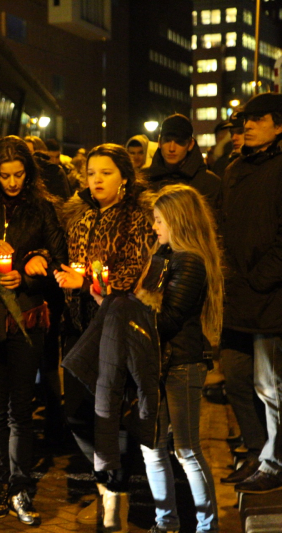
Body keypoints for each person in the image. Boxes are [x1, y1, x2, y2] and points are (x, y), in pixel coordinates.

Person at [0, 138, 67, 524]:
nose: (12, 182)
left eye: (19, 175)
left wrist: (30, 264)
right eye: (4, 176)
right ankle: (1, 483)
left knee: (21, 406)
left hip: (26, 315)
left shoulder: (41, 207)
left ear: (29, 173)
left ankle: (20, 487)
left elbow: (59, 255)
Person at [54, 144, 155, 531]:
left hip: (115, 329)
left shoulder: (136, 218)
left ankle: (117, 499)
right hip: (79, 329)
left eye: (105, 172)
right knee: (77, 413)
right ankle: (106, 488)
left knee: (114, 417)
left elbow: (133, 276)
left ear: (125, 177)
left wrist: (87, 283)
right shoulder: (80, 217)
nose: (95, 179)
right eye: (91, 172)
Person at [130, 185, 223, 533]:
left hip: (182, 363)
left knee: (186, 449)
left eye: (159, 220)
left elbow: (168, 319)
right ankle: (165, 522)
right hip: (160, 362)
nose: (154, 227)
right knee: (152, 447)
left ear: (178, 220)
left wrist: (131, 308)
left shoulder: (190, 261)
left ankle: (206, 526)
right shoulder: (165, 256)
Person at [219, 92, 282, 494]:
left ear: (279, 124)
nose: (247, 125)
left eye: (258, 118)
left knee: (271, 386)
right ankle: (259, 452)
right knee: (238, 379)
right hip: (238, 295)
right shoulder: (236, 169)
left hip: (269, 295)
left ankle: (274, 464)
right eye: (245, 119)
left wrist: (262, 276)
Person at [145, 114, 220, 210]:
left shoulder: (210, 183)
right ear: (159, 142)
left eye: (179, 142)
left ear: (190, 144)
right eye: (167, 141)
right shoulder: (144, 180)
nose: (172, 148)